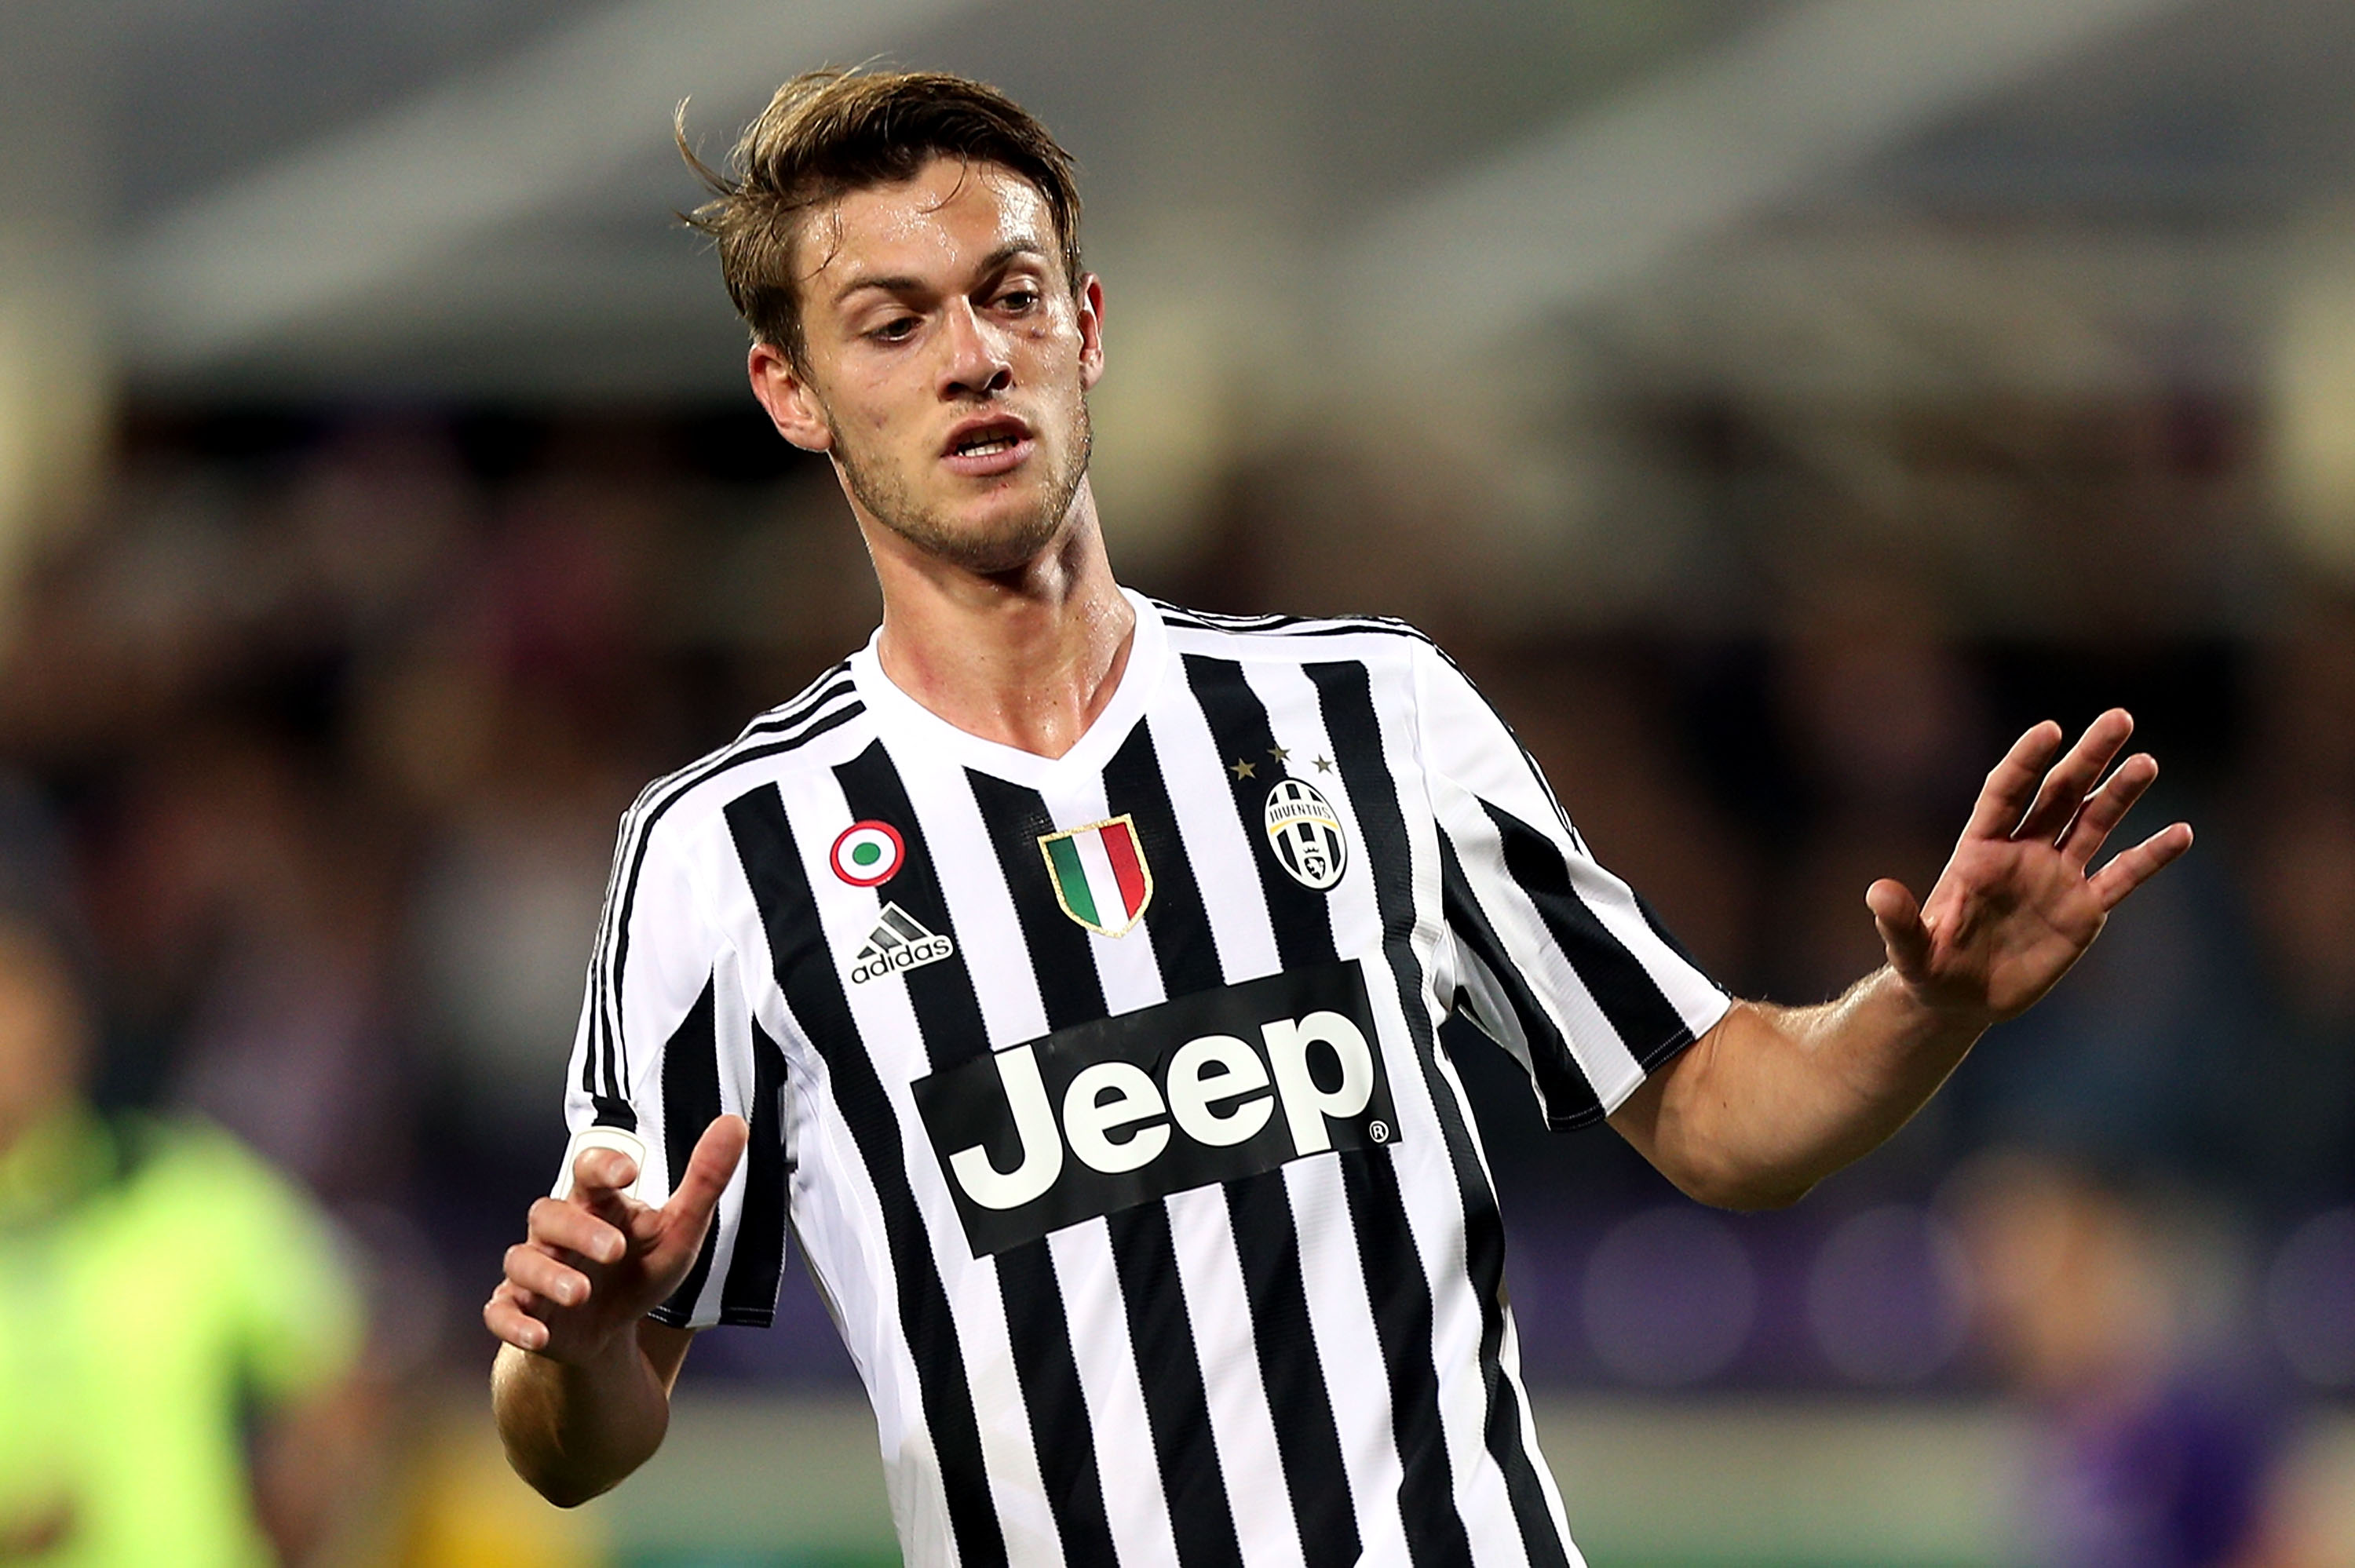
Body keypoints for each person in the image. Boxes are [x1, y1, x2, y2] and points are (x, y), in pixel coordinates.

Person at [486, 67, 2193, 1566]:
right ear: (793, 394)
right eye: (895, 321)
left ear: (1087, 324)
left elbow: (1716, 1112)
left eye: (1008, 294)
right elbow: (582, 1440)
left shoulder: (1369, 711)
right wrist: (571, 1350)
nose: (973, 357)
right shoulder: (725, 853)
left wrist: (1924, 1006)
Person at [0, 913, 369, 1566]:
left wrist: (302, 1495)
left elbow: (337, 1350)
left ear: (70, 1022)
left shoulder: (186, 1192)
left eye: (17, 996)